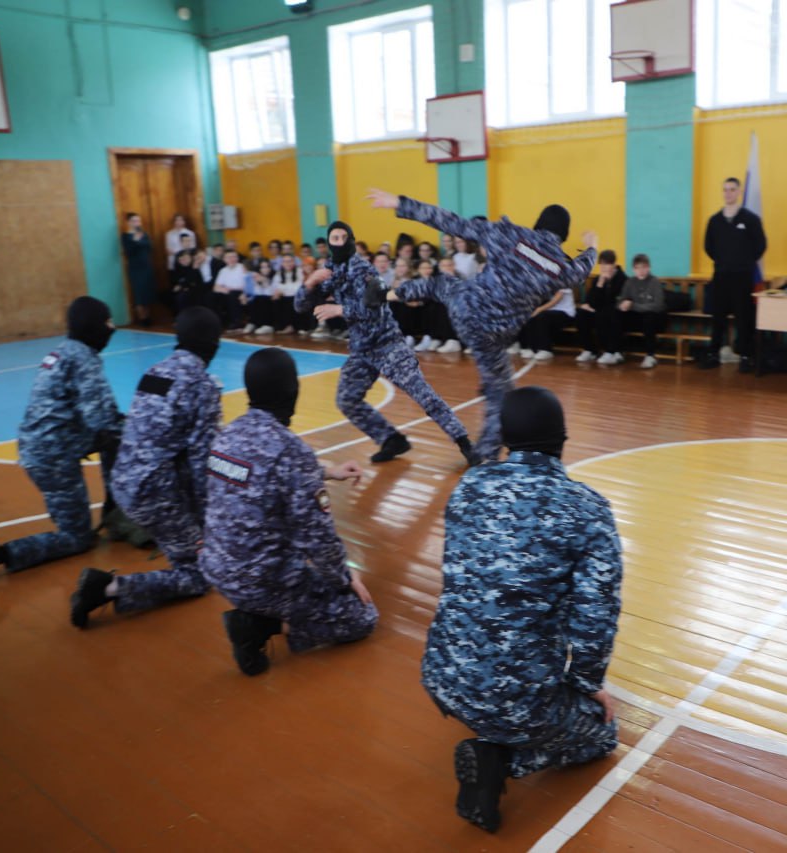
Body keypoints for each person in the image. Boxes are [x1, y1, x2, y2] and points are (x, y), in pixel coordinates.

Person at [422, 387, 623, 833]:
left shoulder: (470, 485)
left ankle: (493, 731)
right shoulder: (586, 509)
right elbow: (596, 615)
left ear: (505, 437)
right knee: (603, 733)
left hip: (442, 676)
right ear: (563, 439)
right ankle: (501, 760)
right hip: (515, 696)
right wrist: (587, 685)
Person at [367, 189, 598, 461]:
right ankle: (485, 456)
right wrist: (593, 245)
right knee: (501, 395)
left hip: (466, 309)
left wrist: (400, 204)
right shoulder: (561, 267)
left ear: (538, 223)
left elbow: (451, 222)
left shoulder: (510, 234)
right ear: (564, 235)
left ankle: (386, 295)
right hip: (495, 335)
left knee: (440, 284)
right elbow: (583, 268)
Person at [201, 349, 378, 675]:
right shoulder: (291, 451)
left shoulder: (227, 435)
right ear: (294, 391)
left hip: (215, 568)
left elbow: (267, 471)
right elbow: (320, 541)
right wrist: (345, 579)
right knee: (363, 617)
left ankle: (259, 616)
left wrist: (328, 471)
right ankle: (259, 626)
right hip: (259, 580)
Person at [0, 297, 121, 586]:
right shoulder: (85, 360)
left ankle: (114, 510)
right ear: (94, 327)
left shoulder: (63, 352)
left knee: (113, 440)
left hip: (38, 448)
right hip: (54, 456)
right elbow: (102, 421)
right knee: (77, 538)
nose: (112, 328)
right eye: (107, 322)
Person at [70, 307, 224, 627]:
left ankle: (180, 549)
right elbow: (199, 461)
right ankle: (109, 588)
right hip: (158, 494)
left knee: (186, 548)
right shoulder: (203, 384)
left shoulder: (155, 371)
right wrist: (205, 520)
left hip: (125, 484)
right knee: (197, 577)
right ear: (212, 343)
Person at [296, 220, 480, 466]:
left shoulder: (362, 269)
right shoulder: (329, 270)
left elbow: (376, 307)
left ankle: (464, 443)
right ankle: (392, 440)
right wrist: (309, 283)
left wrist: (339, 309)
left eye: (343, 237)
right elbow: (300, 306)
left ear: (350, 240)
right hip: (362, 349)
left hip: (387, 344)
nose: (339, 242)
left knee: (423, 394)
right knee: (347, 399)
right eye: (334, 238)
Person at [700, 176, 766, 372]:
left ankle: (746, 356)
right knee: (717, 316)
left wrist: (743, 262)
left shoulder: (750, 219)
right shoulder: (714, 220)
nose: (728, 193)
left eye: (732, 190)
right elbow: (708, 247)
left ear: (738, 192)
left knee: (743, 317)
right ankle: (714, 354)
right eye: (725, 189)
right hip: (721, 275)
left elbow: (760, 245)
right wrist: (724, 262)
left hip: (742, 276)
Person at [576, 249, 627, 365]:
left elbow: (617, 300)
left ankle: (611, 351)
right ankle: (590, 349)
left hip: (617, 312)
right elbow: (590, 300)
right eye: (602, 264)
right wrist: (600, 283)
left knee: (606, 313)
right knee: (581, 314)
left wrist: (596, 305)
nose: (603, 267)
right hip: (599, 310)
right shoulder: (597, 280)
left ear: (613, 265)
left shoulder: (622, 279)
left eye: (607, 264)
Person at [617, 253, 667, 369]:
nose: (641, 270)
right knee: (617, 315)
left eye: (643, 267)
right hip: (637, 318)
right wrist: (623, 305)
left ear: (648, 268)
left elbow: (658, 305)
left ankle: (650, 355)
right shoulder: (630, 282)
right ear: (633, 269)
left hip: (655, 318)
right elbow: (621, 300)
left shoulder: (654, 282)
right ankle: (617, 351)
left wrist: (633, 306)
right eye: (637, 267)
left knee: (649, 317)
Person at [518, 282, 575, 362]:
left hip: (565, 313)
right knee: (531, 316)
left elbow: (556, 300)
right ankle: (532, 348)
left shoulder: (564, 281)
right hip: (548, 312)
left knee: (542, 316)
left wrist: (539, 309)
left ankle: (545, 349)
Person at [121, 212, 156, 326]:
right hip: (135, 268)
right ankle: (142, 319)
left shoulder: (143, 234)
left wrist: (139, 241)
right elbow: (128, 251)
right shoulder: (125, 236)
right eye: (135, 221)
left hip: (146, 266)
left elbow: (149, 247)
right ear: (129, 222)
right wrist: (136, 241)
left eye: (138, 221)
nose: (137, 223)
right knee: (139, 293)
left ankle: (148, 316)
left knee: (147, 292)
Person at [213, 248, 248, 331]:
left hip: (241, 292)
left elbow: (248, 284)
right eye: (229, 257)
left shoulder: (242, 268)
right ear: (224, 259)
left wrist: (231, 290)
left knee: (233, 294)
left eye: (234, 257)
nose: (232, 259)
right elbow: (215, 287)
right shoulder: (223, 271)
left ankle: (237, 322)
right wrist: (225, 290)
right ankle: (219, 322)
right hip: (226, 292)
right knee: (212, 296)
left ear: (237, 258)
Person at [170, 249, 203, 314]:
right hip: (183, 291)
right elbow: (175, 286)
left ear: (190, 258)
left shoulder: (194, 267)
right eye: (181, 259)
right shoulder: (177, 269)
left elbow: (196, 282)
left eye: (186, 258)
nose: (184, 261)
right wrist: (183, 286)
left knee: (184, 296)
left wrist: (182, 285)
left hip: (195, 290)